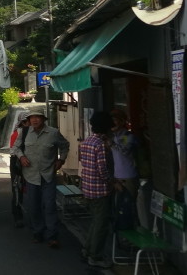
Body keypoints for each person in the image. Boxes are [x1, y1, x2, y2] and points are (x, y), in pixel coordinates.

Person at [11, 104, 69, 248]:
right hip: (31, 176)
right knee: (34, 206)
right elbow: (15, 148)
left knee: (49, 206)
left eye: (38, 117)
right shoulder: (24, 132)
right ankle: (38, 232)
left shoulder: (53, 133)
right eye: (32, 117)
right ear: (29, 119)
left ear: (43, 119)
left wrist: (61, 160)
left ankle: (52, 235)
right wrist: (22, 157)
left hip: (48, 175)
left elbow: (65, 146)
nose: (35, 120)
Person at [79, 111, 115, 269]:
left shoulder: (87, 141)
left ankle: (87, 250)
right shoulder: (100, 145)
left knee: (95, 222)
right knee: (101, 225)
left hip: (88, 188)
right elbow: (102, 170)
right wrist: (112, 182)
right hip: (100, 190)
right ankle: (95, 256)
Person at [110, 108, 139, 228]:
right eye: (111, 120)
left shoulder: (128, 136)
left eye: (115, 120)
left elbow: (125, 151)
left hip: (129, 177)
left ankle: (133, 230)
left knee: (130, 206)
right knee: (119, 208)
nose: (113, 123)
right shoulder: (113, 136)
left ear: (122, 121)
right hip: (117, 177)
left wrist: (112, 144)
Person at [10, 109, 30, 228]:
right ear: (22, 122)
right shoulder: (18, 133)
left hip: (29, 162)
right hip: (17, 163)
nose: (30, 123)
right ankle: (18, 216)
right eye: (27, 121)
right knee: (17, 189)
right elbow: (14, 150)